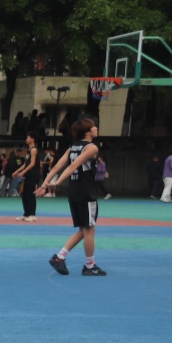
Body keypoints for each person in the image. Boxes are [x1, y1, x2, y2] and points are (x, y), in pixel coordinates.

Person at [37, 118, 108, 276]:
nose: (96, 128)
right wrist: (57, 183)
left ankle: (60, 257)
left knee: (84, 229)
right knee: (89, 229)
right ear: (87, 131)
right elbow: (73, 166)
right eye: (93, 127)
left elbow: (56, 167)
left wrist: (44, 184)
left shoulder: (72, 148)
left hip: (74, 192)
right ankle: (90, 266)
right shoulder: (91, 148)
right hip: (86, 192)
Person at [13, 133, 40, 221]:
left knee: (30, 194)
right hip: (28, 174)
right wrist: (17, 171)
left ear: (33, 139)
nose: (26, 139)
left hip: (33, 174)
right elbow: (25, 164)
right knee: (24, 194)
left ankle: (32, 215)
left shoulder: (34, 150)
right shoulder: (29, 150)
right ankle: (26, 214)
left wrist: (23, 172)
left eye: (28, 138)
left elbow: (32, 164)